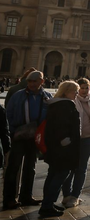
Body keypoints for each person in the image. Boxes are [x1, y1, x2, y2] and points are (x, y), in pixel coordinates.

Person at [3, 70, 52, 210]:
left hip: (35, 137)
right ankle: (9, 198)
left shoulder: (47, 97)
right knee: (13, 167)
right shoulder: (18, 96)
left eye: (34, 81)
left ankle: (26, 196)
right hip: (19, 135)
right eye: (29, 81)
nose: (31, 84)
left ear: (42, 81)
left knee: (30, 168)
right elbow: (9, 114)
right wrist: (13, 131)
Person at [38, 81, 81, 218]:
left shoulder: (55, 104)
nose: (76, 94)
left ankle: (48, 203)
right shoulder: (65, 106)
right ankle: (47, 205)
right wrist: (67, 142)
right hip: (63, 149)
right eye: (75, 91)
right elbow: (62, 127)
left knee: (52, 174)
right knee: (61, 174)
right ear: (67, 92)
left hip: (54, 148)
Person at [61, 78, 90, 208]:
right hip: (74, 139)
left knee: (81, 168)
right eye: (81, 88)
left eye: (86, 88)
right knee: (70, 167)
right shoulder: (71, 101)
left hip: (88, 138)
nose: (84, 91)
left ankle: (75, 195)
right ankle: (66, 194)